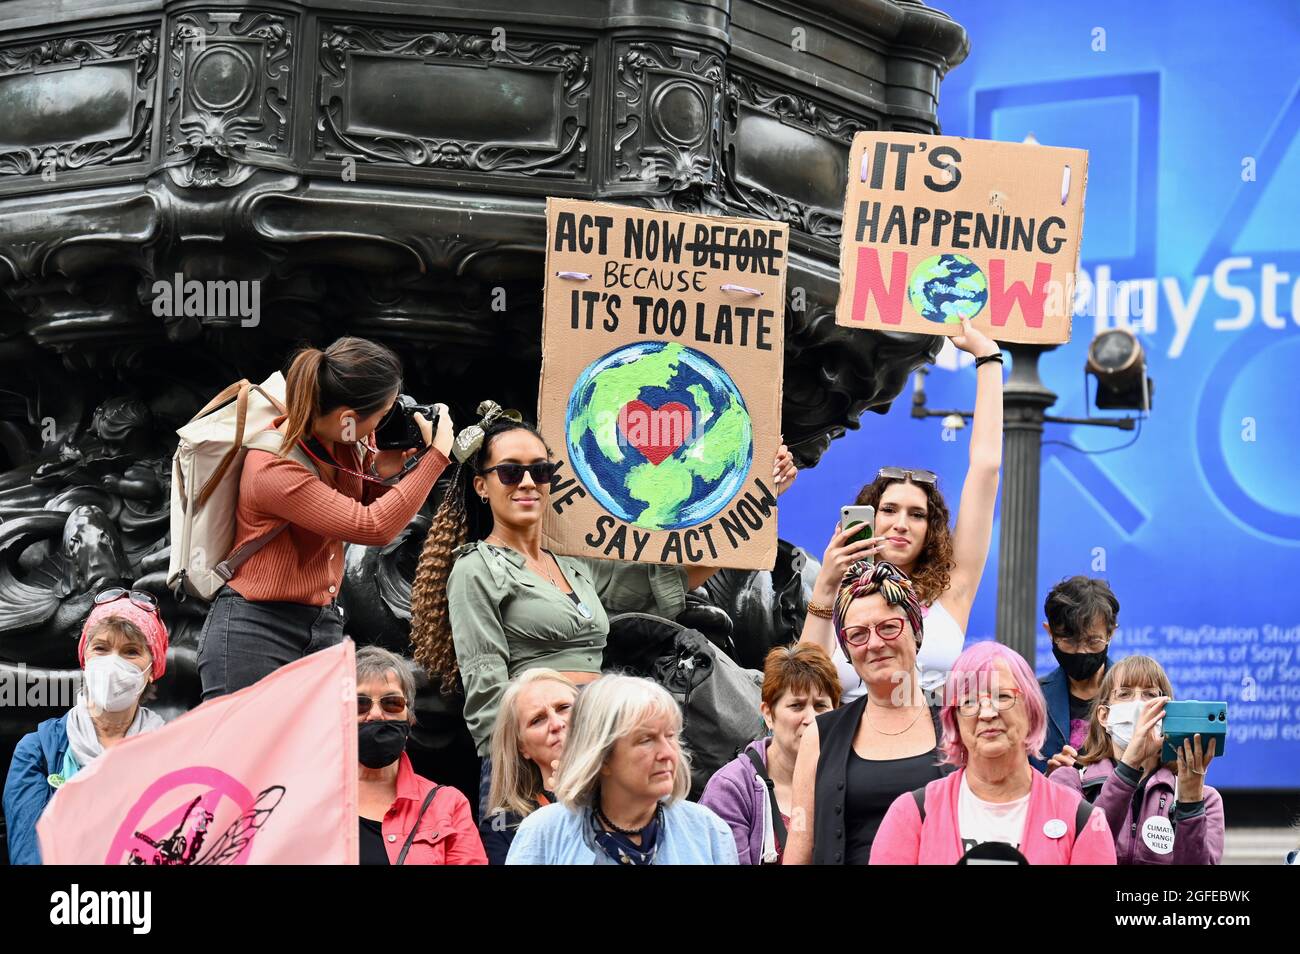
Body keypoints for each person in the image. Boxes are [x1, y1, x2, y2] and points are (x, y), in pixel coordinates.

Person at [408, 402, 797, 775]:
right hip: (538, 766)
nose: (528, 482)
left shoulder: (573, 562)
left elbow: (671, 581)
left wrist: (761, 498)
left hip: (602, 748)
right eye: (510, 472)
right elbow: (486, 695)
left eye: (540, 471)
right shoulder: (476, 567)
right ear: (482, 485)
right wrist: (529, 775)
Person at [199, 337, 454, 700]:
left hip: (323, 625)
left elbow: (363, 509)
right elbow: (373, 527)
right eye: (382, 416)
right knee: (249, 757)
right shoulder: (273, 465)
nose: (382, 426)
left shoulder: (342, 444)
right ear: (347, 419)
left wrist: (387, 474)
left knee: (312, 756)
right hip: (254, 632)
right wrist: (437, 457)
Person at [800, 319, 1003, 702]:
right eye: (889, 509)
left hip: (933, 753)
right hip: (849, 755)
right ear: (868, 517)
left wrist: (987, 356)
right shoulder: (836, 593)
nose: (900, 524)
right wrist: (827, 584)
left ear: (932, 530)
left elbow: (986, 469)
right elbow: (805, 689)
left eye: (917, 514)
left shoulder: (950, 591)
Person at [870, 641, 1117, 865]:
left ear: (1031, 710)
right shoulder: (912, 814)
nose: (986, 713)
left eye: (1002, 697)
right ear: (954, 720)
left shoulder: (1081, 820)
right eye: (968, 701)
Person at [785, 561, 951, 865]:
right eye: (858, 634)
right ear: (847, 651)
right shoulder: (820, 736)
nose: (875, 644)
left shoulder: (958, 723)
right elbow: (800, 843)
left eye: (889, 627)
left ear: (916, 632)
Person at [4, 589, 169, 864]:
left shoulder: (173, 751)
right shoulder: (38, 753)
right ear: (85, 659)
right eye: (101, 648)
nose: (113, 663)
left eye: (131, 651)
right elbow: (28, 854)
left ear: (152, 668)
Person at [504, 674, 737, 865]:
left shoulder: (708, 830)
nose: (667, 753)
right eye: (646, 740)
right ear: (601, 757)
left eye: (670, 736)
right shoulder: (544, 834)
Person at [1047, 655, 1224, 864]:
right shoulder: (1068, 782)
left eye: (1150, 694)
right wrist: (1128, 767)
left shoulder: (1207, 799)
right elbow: (1078, 850)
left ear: (1166, 715)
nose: (1139, 704)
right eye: (1125, 694)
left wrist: (1190, 803)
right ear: (1104, 716)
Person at [699, 643, 839, 864]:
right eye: (796, 705)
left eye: (821, 706)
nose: (811, 719)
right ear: (768, 714)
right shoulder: (730, 788)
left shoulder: (849, 776)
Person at [355, 645, 485, 865]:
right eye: (360, 704)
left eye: (391, 703)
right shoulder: (309, 801)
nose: (376, 714)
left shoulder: (448, 805)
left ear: (410, 720)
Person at [480, 669, 579, 864]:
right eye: (538, 719)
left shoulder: (629, 792)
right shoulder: (502, 826)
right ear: (522, 747)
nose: (556, 723)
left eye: (564, 707)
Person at [1037, 576, 1121, 773]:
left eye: (1093, 641)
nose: (1082, 651)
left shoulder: (1136, 696)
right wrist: (1047, 780)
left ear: (1111, 633)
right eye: (1070, 641)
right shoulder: (1033, 699)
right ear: (1050, 632)